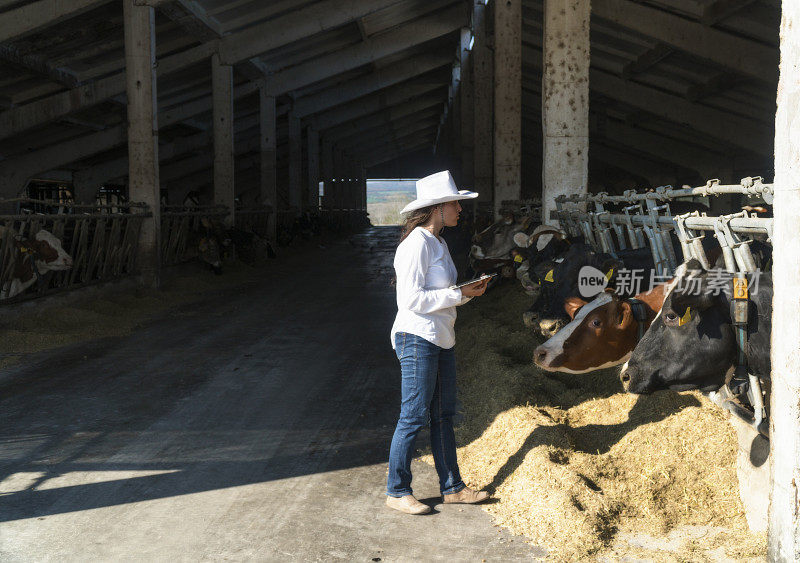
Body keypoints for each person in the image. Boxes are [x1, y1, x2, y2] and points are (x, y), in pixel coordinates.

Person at [386, 170, 490, 515]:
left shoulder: (439, 243)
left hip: (442, 337)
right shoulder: (416, 243)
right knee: (413, 415)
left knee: (443, 414)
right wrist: (458, 294)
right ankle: (397, 490)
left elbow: (442, 295)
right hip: (417, 337)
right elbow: (412, 300)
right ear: (436, 208)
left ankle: (453, 488)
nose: (460, 208)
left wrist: (465, 294)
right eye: (455, 203)